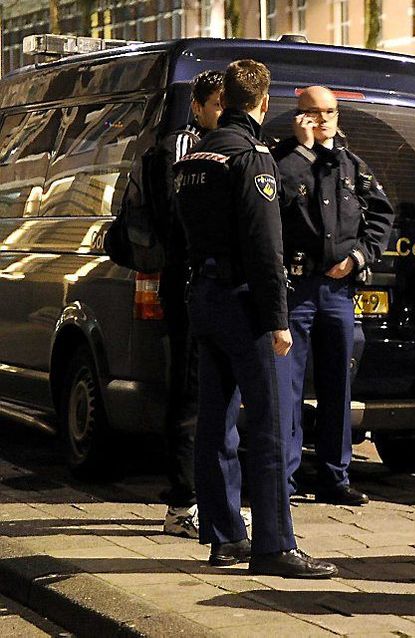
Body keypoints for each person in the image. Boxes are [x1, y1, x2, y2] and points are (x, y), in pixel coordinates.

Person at [174, 59, 336, 578]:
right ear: (264, 103)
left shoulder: (193, 158)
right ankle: (274, 545)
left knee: (215, 424)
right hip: (245, 304)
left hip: (204, 296)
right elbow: (266, 248)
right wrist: (278, 319)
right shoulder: (251, 157)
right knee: (270, 426)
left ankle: (224, 538)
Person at [274, 85, 395, 505]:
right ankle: (284, 481)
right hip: (297, 289)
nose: (322, 120)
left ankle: (334, 477)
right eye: (313, 113)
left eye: (329, 112)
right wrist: (304, 151)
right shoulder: (282, 161)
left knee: (337, 387)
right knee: (287, 389)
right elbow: (277, 203)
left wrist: (359, 257)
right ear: (298, 116)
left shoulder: (351, 165)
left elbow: (382, 216)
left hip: (339, 291)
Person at [152, 70, 223, 539]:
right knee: (191, 394)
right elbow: (180, 219)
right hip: (188, 284)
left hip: (208, 284)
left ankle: (207, 498)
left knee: (212, 395)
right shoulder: (183, 148)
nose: (224, 111)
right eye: (217, 103)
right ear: (196, 107)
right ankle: (182, 503)